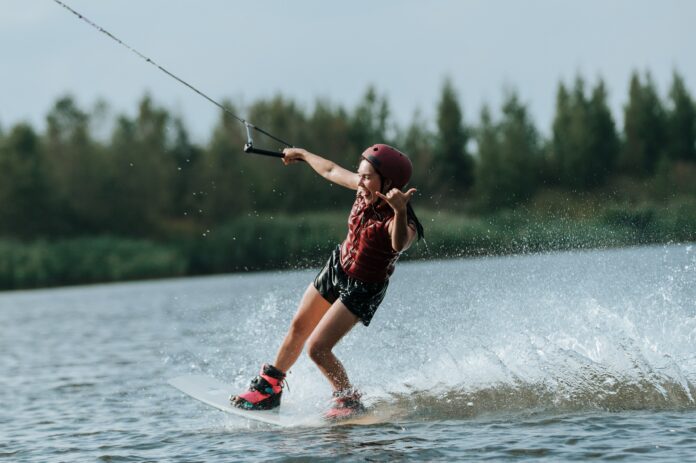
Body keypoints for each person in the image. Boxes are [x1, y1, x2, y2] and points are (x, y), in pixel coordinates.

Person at [230, 144, 424, 419]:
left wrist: (400, 210)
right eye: (360, 175)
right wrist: (304, 155)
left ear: (389, 183)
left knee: (318, 348)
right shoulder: (362, 189)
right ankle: (269, 389)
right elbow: (332, 169)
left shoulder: (401, 220)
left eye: (367, 177)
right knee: (299, 326)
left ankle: (348, 400)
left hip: (363, 287)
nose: (360, 182)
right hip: (339, 266)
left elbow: (399, 243)